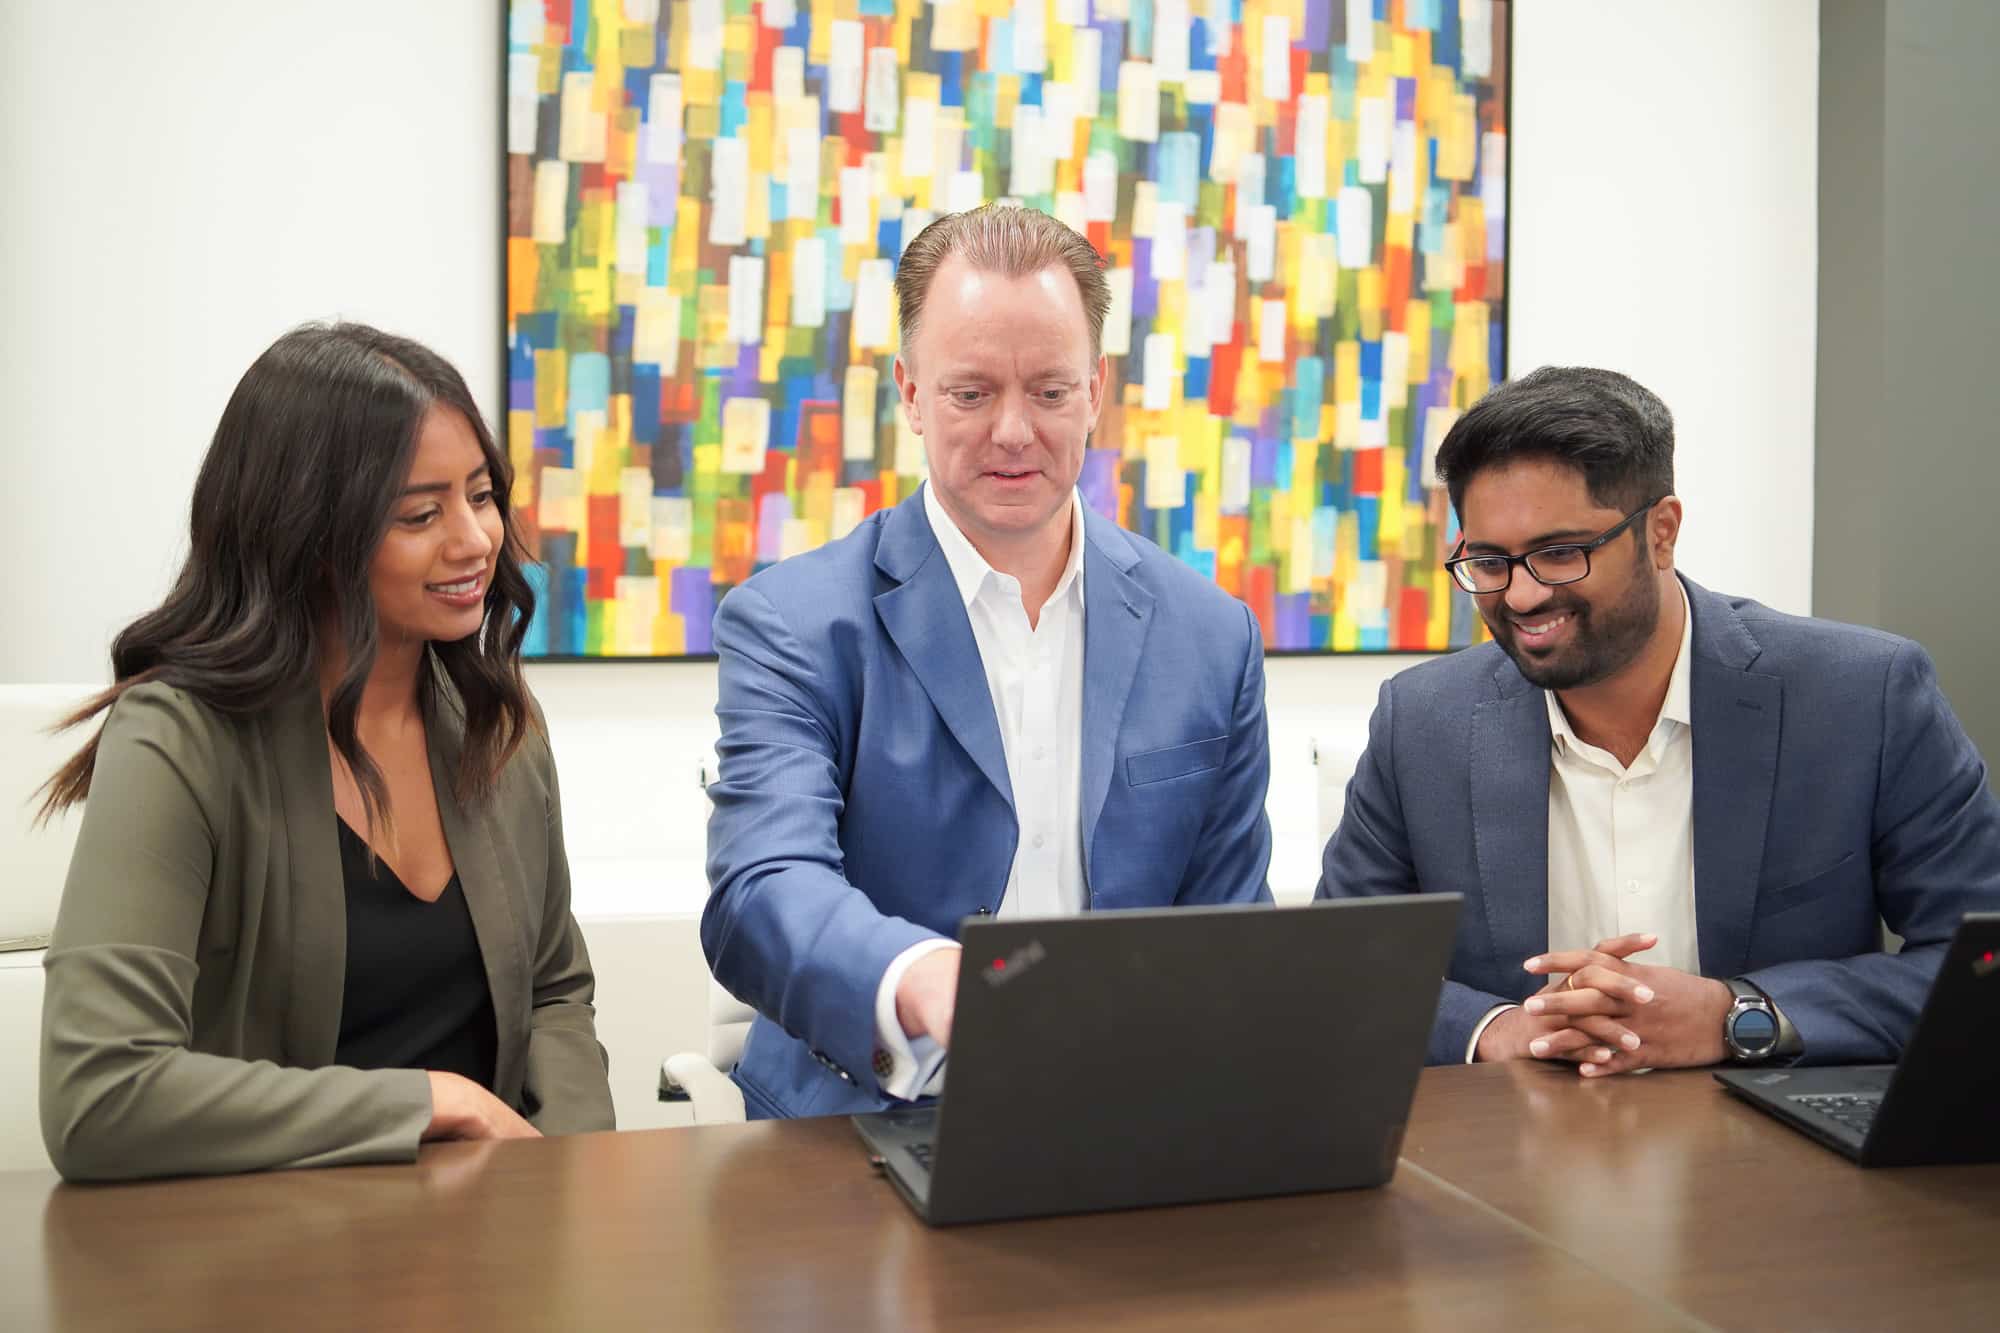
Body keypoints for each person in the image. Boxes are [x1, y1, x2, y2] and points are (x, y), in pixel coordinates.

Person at [703, 203, 1273, 1119]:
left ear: (1095, 391)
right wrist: (921, 974)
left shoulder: (1210, 635)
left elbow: (1232, 935)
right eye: (971, 392)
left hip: (1130, 1125)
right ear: (911, 393)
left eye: (1049, 391)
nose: (1014, 431)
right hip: (858, 1132)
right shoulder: (793, 624)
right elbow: (762, 889)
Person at [38, 322, 615, 1181]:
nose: (473, 541)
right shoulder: (177, 740)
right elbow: (99, 1091)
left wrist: (564, 1174)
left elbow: (556, 992)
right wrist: (432, 1102)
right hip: (256, 1257)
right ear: (309, 533)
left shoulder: (499, 724)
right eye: (420, 513)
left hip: (483, 1252)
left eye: (482, 495)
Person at [1318, 366, 2000, 1074]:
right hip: (1508, 1163)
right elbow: (1336, 971)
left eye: (1560, 553)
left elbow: (1981, 957)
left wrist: (1738, 1014)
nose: (1519, 595)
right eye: (1489, 560)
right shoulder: (1422, 720)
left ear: (1662, 532)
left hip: (1782, 1164)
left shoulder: (1862, 697)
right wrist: (1500, 1028)